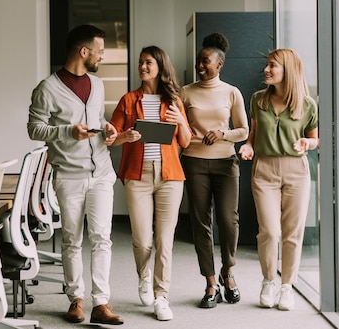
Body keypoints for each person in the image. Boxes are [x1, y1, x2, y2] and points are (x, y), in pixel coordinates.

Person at [27, 24, 124, 325]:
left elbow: (98, 120)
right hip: (68, 176)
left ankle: (101, 303)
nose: (102, 57)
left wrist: (108, 128)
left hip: (102, 173)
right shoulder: (47, 88)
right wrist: (67, 131)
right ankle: (76, 300)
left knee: (102, 238)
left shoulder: (97, 84)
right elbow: (34, 129)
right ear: (84, 52)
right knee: (72, 239)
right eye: (100, 51)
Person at [109, 45, 192, 321]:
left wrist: (180, 119)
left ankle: (161, 296)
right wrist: (127, 136)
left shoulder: (174, 99)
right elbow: (111, 137)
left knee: (164, 240)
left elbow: (185, 141)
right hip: (138, 174)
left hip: (170, 176)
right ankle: (143, 276)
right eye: (141, 63)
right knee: (143, 240)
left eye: (148, 63)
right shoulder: (128, 100)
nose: (143, 67)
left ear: (160, 66)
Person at [238, 48, 319, 311]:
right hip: (265, 169)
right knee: (269, 231)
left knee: (292, 234)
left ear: (288, 70)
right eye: (267, 65)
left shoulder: (307, 105)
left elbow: (315, 138)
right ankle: (269, 280)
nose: (266, 70)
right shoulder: (258, 99)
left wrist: (309, 142)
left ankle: (287, 287)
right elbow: (254, 132)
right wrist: (248, 145)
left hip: (297, 170)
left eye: (272, 66)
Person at [181, 32, 249, 309]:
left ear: (219, 64)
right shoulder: (185, 92)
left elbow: (244, 130)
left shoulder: (231, 92)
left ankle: (228, 272)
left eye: (205, 62)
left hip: (225, 163)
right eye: (199, 61)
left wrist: (222, 133)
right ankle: (210, 282)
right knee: (200, 222)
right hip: (194, 161)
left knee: (228, 220)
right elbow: (179, 130)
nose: (200, 66)